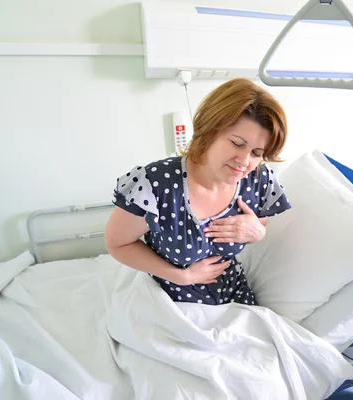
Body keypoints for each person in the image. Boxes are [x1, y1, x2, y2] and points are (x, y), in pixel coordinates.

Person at [104, 78, 291, 306]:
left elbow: (259, 223)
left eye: (256, 152)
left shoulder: (258, 180)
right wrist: (182, 276)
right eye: (237, 143)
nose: (244, 161)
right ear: (209, 130)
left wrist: (258, 232)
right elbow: (117, 244)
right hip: (170, 298)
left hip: (232, 297)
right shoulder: (156, 184)